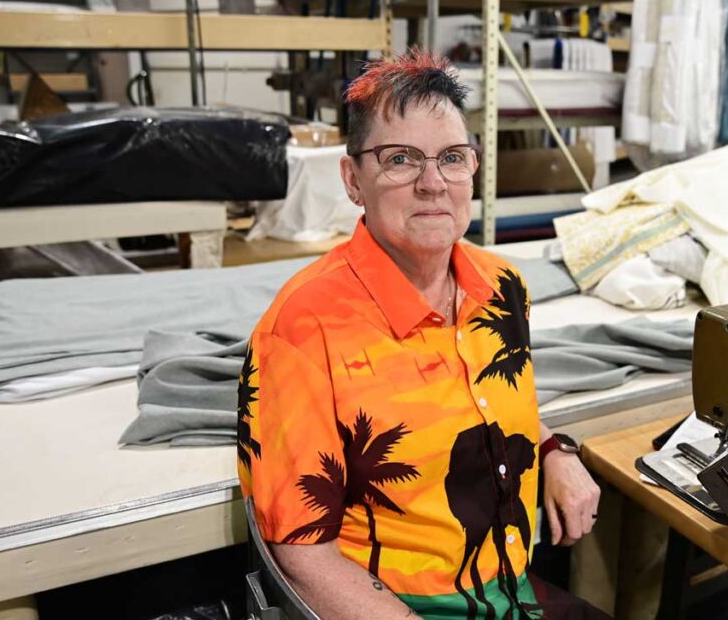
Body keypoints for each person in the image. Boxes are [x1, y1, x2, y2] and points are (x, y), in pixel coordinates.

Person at [238, 51, 606, 620]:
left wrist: (553, 448)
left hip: (511, 593)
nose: (433, 183)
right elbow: (301, 552)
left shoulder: (502, 285)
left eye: (452, 158)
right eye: (400, 159)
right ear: (352, 179)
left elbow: (482, 403)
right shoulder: (303, 329)